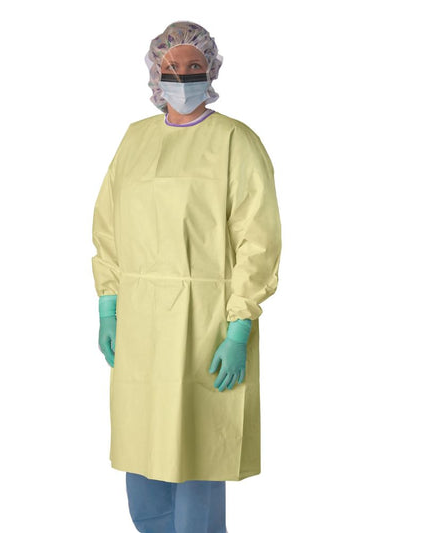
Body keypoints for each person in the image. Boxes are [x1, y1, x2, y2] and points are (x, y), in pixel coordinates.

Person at [91, 20, 282, 533]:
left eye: (194, 66)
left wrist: (239, 327)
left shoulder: (235, 141)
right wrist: (109, 304)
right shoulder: (135, 140)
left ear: (211, 70)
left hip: (205, 324)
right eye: (171, 66)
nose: (182, 76)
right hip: (140, 326)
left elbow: (258, 239)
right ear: (155, 72)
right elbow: (109, 227)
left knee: (197, 452)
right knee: (144, 451)